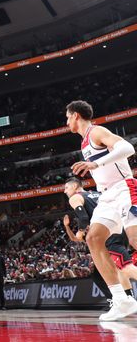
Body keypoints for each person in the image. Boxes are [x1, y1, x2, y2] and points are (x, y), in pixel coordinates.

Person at [67, 100, 137, 320]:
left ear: (76, 115)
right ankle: (122, 300)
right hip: (107, 196)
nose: (66, 121)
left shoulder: (96, 131)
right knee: (94, 239)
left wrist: (96, 164)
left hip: (124, 188)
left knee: (135, 240)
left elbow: (127, 148)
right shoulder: (84, 142)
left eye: (67, 117)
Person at [62, 177, 137, 296]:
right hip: (121, 229)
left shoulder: (75, 197)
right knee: (119, 268)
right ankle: (127, 299)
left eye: (66, 188)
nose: (65, 191)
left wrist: (80, 231)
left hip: (108, 233)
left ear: (75, 186)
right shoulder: (99, 194)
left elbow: (83, 218)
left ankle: (121, 300)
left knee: (125, 267)